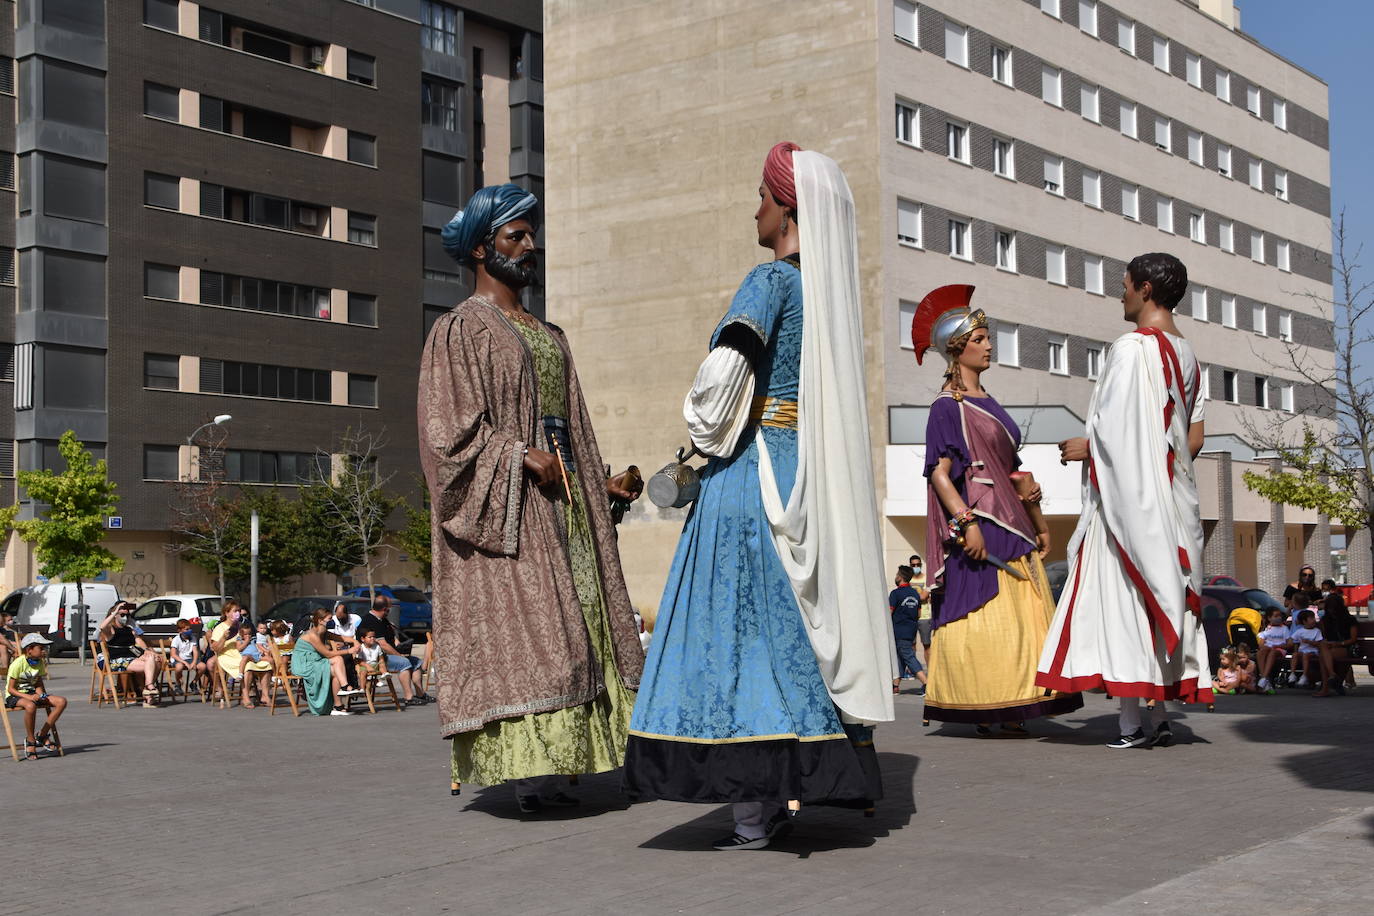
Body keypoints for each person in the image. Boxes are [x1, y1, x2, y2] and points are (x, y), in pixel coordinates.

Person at [624, 143, 895, 850]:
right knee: (792, 633)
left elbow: (720, 383)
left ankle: (749, 809)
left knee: (735, 633)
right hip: (809, 474)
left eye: (762, 198)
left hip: (751, 478)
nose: (755, 210)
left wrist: (704, 427)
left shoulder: (771, 280)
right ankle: (788, 787)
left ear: (787, 210)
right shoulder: (829, 297)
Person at [418, 182, 646, 812]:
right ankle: (532, 773)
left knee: (589, 625)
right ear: (481, 249)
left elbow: (568, 424)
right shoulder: (458, 330)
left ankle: (587, 756)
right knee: (542, 636)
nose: (529, 246)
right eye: (514, 236)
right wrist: (516, 455)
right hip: (511, 512)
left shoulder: (551, 333)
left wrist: (596, 484)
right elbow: (445, 435)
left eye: (530, 235)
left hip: (566, 509)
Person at [1036, 252, 1212, 749]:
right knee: (1159, 593)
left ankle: (1134, 724)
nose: (1121, 293)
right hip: (1173, 498)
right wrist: (1159, 469)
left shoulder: (1132, 348)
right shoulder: (1189, 354)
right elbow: (1191, 439)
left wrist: (1089, 447)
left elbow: (1117, 431)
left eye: (1126, 284)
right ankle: (1152, 717)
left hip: (1131, 503)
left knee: (1125, 599)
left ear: (1147, 290)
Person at [913, 285, 1082, 735]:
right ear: (958, 349)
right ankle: (985, 705)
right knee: (988, 620)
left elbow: (1012, 473)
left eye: (988, 338)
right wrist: (966, 524)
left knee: (1025, 620)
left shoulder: (990, 402)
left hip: (1015, 523)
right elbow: (940, 473)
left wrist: (1038, 519)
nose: (990, 346)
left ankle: (1017, 703)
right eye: (980, 339)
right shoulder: (947, 408)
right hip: (981, 524)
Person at [354, 598, 426, 708]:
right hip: (376, 659)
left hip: (388, 654)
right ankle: (409, 697)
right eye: (388, 610)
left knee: (416, 662)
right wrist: (399, 655)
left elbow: (392, 639)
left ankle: (421, 695)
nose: (389, 612)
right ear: (384, 609)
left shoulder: (382, 620)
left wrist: (401, 647)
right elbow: (383, 645)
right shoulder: (370, 621)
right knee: (404, 663)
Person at [6, 633, 66, 758]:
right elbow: (11, 689)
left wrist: (41, 694)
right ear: (29, 650)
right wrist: (30, 697)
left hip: (32, 694)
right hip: (15, 696)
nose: (44, 651)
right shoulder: (18, 663)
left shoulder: (39, 662)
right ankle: (30, 740)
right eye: (41, 648)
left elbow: (38, 682)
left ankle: (42, 735)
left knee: (61, 701)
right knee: (30, 706)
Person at [290, 609, 356, 716]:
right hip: (305, 664)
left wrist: (354, 641)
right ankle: (345, 687)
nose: (332, 621)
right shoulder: (313, 634)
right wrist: (349, 651)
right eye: (329, 619)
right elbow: (328, 654)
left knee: (336, 672)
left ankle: (338, 706)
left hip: (316, 660)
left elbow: (340, 637)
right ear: (320, 621)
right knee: (337, 659)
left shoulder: (323, 631)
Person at [98, 601, 164, 707]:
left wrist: (147, 650)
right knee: (151, 665)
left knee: (154, 659)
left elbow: (139, 642)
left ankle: (148, 690)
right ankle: (148, 692)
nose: (125, 617)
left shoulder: (129, 629)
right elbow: (102, 627)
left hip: (132, 657)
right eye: (122, 615)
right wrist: (115, 612)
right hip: (118, 660)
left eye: (127, 614)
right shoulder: (111, 630)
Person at [209, 602, 270, 708]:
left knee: (266, 664)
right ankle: (245, 697)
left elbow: (252, 641)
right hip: (227, 655)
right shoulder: (220, 627)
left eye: (238, 611)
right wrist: (223, 638)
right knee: (248, 666)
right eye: (235, 611)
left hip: (243, 653)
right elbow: (214, 648)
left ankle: (265, 696)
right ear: (227, 613)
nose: (238, 613)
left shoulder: (241, 626)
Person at [889, 566, 927, 695]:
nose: (896, 576)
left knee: (908, 657)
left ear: (900, 577)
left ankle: (926, 683)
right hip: (911, 630)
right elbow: (918, 613)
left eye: (897, 574)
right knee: (900, 657)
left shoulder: (895, 593)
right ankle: (895, 686)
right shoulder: (915, 593)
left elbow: (889, 612)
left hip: (899, 630)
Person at [169, 620, 212, 696]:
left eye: (189, 629)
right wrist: (184, 662)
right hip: (178, 659)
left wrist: (194, 662)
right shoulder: (176, 639)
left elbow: (195, 651)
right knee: (179, 667)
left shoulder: (193, 638)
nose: (189, 631)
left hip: (189, 658)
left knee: (202, 666)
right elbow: (173, 654)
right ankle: (178, 683)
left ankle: (194, 682)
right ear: (180, 630)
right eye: (186, 629)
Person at [1256, 608, 1292, 693]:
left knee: (1273, 652)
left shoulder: (1284, 629)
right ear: (1269, 618)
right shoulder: (1267, 629)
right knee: (1260, 652)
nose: (1278, 617)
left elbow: (1290, 644)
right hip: (1268, 648)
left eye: (1279, 616)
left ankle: (1264, 678)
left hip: (1279, 649)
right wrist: (1265, 646)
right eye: (1276, 616)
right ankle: (1264, 678)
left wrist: (1279, 646)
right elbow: (1261, 643)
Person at [907, 554, 933, 663]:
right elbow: (921, 596)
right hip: (910, 617)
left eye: (918, 565)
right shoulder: (907, 579)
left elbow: (924, 596)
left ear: (921, 565)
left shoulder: (927, 578)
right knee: (911, 645)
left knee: (927, 645)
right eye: (913, 565)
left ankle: (930, 671)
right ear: (910, 565)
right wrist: (922, 596)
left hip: (924, 616)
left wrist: (914, 596)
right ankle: (914, 670)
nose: (916, 567)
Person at [1289, 609, 1324, 689]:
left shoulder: (1317, 631)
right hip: (1302, 651)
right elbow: (1292, 639)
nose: (1314, 620)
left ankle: (1304, 676)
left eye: (1314, 618)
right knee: (1295, 655)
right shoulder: (1300, 631)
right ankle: (1292, 674)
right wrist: (1290, 642)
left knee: (1306, 655)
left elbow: (1319, 643)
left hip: (1313, 652)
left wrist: (1309, 642)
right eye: (1311, 619)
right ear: (1304, 621)